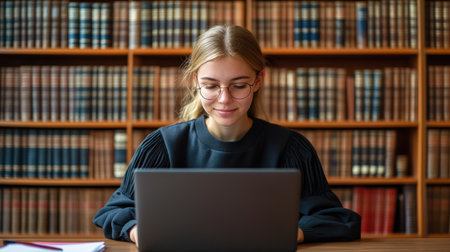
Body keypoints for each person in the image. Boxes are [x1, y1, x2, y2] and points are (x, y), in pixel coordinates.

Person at [93, 25, 361, 246]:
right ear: (195, 80)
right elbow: (113, 212)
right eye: (211, 86)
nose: (224, 99)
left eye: (239, 85)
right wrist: (137, 231)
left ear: (258, 81)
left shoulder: (291, 149)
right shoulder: (161, 145)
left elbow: (338, 219)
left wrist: (297, 233)